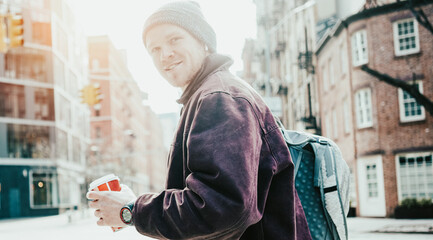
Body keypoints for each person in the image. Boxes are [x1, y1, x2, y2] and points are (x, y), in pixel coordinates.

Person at [86, 1, 312, 239]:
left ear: (202, 41)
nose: (165, 54)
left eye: (174, 40)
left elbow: (219, 206)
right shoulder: (209, 95)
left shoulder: (219, 99)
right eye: (155, 49)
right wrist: (134, 205)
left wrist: (131, 211)